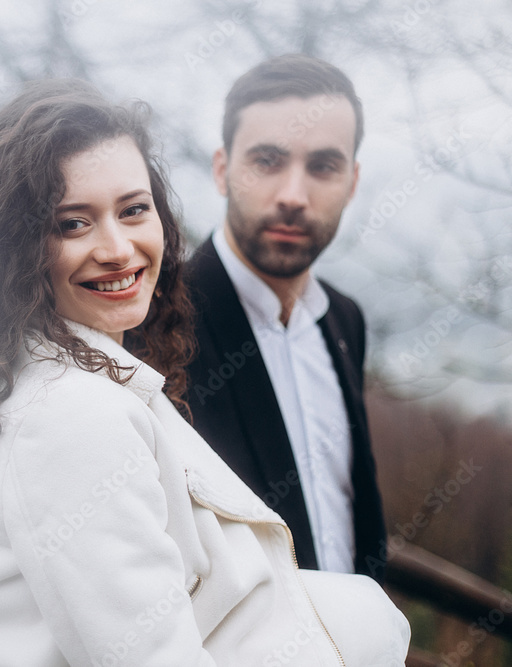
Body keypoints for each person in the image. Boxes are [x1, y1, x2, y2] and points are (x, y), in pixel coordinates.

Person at [0, 78, 408, 665]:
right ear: (14, 249)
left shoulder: (66, 381)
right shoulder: (72, 416)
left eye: (133, 210)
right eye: (73, 223)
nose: (118, 249)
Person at [182, 54, 386, 580]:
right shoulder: (158, 321)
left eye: (323, 167)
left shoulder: (345, 319)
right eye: (268, 161)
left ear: (352, 181)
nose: (294, 196)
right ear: (223, 170)